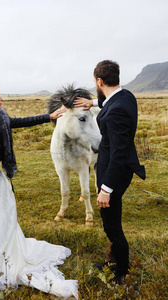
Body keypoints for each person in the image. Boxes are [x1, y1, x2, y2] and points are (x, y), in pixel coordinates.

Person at [0, 79, 78, 299]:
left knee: (2, 223)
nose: (1, 99)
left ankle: (0, 255)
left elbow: (17, 122)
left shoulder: (0, 116)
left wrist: (49, 117)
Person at [74, 60, 146, 283]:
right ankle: (114, 262)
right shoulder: (126, 96)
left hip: (113, 173)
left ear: (99, 80)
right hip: (115, 169)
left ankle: (121, 273)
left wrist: (105, 188)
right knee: (112, 220)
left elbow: (118, 154)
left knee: (111, 225)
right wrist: (92, 102)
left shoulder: (116, 112)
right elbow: (108, 100)